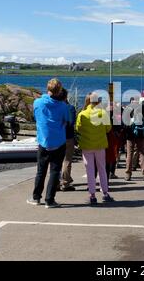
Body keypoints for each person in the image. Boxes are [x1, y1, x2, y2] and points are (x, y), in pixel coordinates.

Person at [27, 79, 69, 209]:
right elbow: (66, 121)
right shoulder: (63, 106)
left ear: (48, 88)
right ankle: (49, 200)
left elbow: (36, 117)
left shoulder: (37, 102)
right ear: (59, 91)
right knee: (55, 171)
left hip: (43, 141)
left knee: (41, 171)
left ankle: (36, 197)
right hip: (59, 141)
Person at [76, 92, 115, 205]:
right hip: (100, 145)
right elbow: (108, 129)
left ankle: (92, 195)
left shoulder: (82, 114)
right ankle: (105, 193)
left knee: (90, 170)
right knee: (102, 168)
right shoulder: (103, 113)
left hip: (87, 145)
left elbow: (78, 128)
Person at [124, 98, 144, 181]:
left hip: (130, 135)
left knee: (130, 154)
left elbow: (125, 124)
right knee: (143, 154)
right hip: (142, 135)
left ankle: (128, 174)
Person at [57, 89, 77, 192]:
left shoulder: (55, 107)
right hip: (68, 136)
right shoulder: (70, 108)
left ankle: (55, 182)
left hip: (56, 137)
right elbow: (71, 122)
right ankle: (65, 182)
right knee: (67, 160)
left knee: (56, 161)